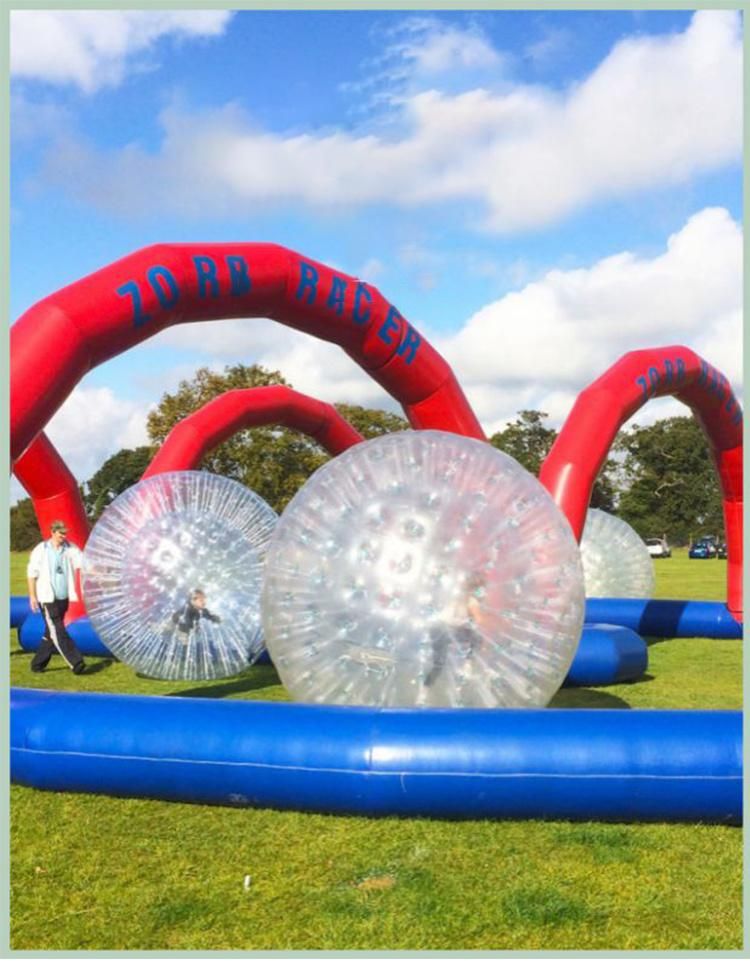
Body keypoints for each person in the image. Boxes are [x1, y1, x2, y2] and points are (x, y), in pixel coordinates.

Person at [27, 520, 86, 675]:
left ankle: (37, 664)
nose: (63, 536)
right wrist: (33, 596)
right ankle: (76, 661)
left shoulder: (70, 548)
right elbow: (31, 574)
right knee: (58, 629)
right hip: (47, 598)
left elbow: (84, 562)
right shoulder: (41, 549)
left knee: (50, 632)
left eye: (65, 533)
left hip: (63, 597)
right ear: (52, 532)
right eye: (61, 533)